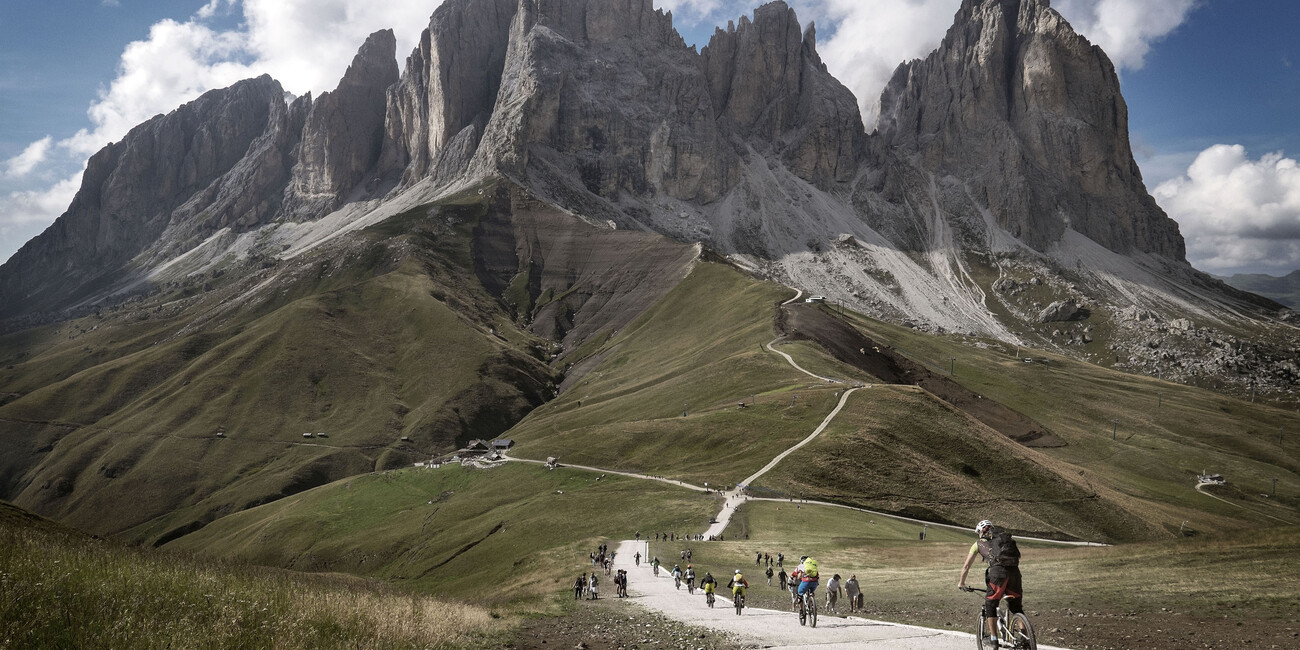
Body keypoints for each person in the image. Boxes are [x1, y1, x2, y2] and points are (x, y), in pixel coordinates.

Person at [958, 520, 1024, 647]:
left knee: (991, 604)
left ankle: (994, 639)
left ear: (979, 532)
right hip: (1015, 573)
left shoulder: (978, 544)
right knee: (1016, 607)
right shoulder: (1004, 539)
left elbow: (966, 566)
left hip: (997, 575)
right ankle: (1025, 638)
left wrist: (961, 583)